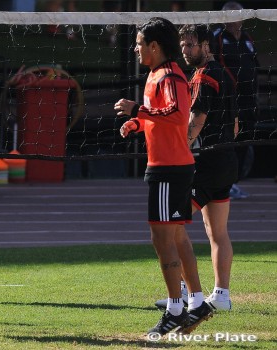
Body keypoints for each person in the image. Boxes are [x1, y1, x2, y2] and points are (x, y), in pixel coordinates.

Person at [115, 17, 213, 336]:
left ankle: (174, 308)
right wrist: (138, 124)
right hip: (171, 167)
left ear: (154, 46)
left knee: (162, 239)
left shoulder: (170, 75)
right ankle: (197, 303)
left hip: (169, 170)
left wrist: (136, 112)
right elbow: (158, 117)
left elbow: (176, 114)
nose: (136, 48)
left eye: (140, 43)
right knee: (177, 237)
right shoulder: (155, 75)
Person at [155, 24, 237, 313]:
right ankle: (222, 295)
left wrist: (178, 149)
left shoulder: (203, 77)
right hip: (226, 161)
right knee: (217, 232)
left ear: (206, 45)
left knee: (169, 227)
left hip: (205, 163)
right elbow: (236, 125)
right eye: (183, 45)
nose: (185, 51)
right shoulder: (225, 75)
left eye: (191, 45)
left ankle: (180, 292)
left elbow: (196, 121)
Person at [214, 1, 259, 199]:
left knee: (244, 140)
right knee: (226, 141)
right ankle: (223, 183)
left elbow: (254, 66)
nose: (234, 21)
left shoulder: (248, 39)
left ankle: (234, 182)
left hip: (249, 100)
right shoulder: (217, 37)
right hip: (228, 101)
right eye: (230, 17)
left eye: (237, 17)